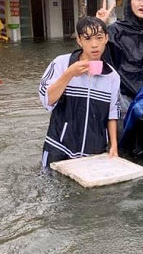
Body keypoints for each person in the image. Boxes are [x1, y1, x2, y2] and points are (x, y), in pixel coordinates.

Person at [39, 16, 120, 168]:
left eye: (99, 38)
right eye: (87, 39)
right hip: (59, 146)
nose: (94, 45)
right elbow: (47, 99)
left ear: (106, 39)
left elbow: (112, 113)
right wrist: (68, 74)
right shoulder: (61, 63)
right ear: (79, 40)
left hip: (94, 150)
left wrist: (113, 145)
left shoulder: (112, 76)